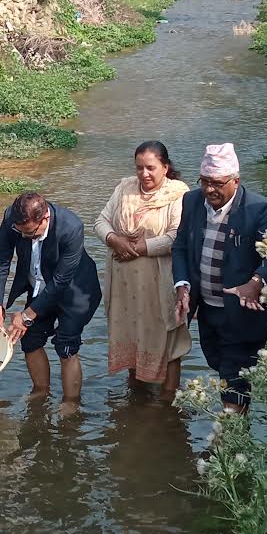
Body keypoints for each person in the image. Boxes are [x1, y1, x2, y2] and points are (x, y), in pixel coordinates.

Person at [172, 143, 267, 412]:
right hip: (208, 310)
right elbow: (181, 247)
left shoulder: (258, 209)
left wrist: (255, 282)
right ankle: (237, 437)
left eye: (218, 183)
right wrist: (183, 285)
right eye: (205, 182)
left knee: (234, 376)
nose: (210, 189)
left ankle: (228, 442)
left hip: (243, 312)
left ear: (235, 180)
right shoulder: (192, 201)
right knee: (220, 366)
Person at [94, 141, 191, 401]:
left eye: (151, 168)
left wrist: (138, 247)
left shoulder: (179, 195)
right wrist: (114, 239)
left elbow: (175, 237)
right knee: (133, 335)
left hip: (159, 281)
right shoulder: (124, 188)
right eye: (139, 168)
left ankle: (167, 401)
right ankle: (136, 394)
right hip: (125, 284)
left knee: (167, 340)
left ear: (165, 167)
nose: (144, 174)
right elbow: (100, 221)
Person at [0, 192, 101, 404]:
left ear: (45, 218)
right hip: (39, 285)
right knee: (30, 339)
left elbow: (60, 281)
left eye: (30, 233)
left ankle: (70, 402)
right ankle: (41, 391)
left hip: (75, 289)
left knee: (66, 344)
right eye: (20, 232)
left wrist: (27, 315)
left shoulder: (71, 227)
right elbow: (0, 260)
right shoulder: (12, 219)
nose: (24, 237)